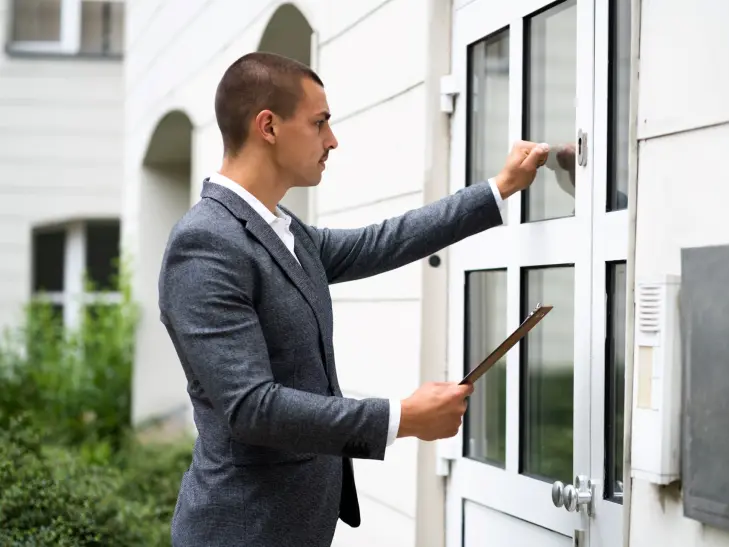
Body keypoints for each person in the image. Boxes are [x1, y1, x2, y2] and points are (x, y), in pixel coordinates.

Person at [158, 51, 549, 547]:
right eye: (320, 123)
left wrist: (500, 188)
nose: (332, 139)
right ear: (268, 126)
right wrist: (401, 417)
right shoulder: (206, 242)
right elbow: (252, 408)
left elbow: (381, 241)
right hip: (243, 529)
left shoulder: (283, 230)